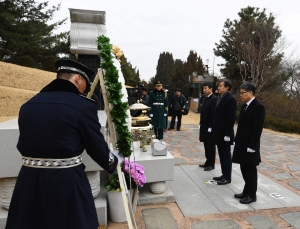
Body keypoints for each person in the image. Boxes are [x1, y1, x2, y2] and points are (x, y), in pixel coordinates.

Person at [6, 59, 119, 229]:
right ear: (77, 79)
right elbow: (96, 147)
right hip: (66, 181)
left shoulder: (28, 106)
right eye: (85, 86)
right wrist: (114, 162)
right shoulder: (83, 106)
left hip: (28, 180)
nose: (84, 91)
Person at [232, 82, 265, 204]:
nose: (240, 95)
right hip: (242, 144)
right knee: (243, 168)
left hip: (250, 146)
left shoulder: (258, 107)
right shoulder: (245, 106)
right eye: (240, 93)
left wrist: (252, 146)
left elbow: (257, 129)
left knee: (250, 171)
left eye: (242, 93)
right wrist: (236, 140)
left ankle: (252, 195)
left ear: (250, 93)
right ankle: (246, 191)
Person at [211, 80, 237, 185]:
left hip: (225, 133)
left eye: (221, 86)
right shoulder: (221, 97)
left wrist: (227, 134)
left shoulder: (230, 99)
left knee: (226, 155)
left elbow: (231, 119)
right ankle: (224, 174)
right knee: (221, 154)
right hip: (219, 132)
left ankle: (227, 177)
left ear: (227, 87)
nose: (219, 87)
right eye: (219, 86)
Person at [198, 82, 217, 171]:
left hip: (210, 126)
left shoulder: (214, 99)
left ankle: (211, 164)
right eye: (203, 88)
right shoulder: (205, 98)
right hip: (204, 125)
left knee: (210, 145)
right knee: (205, 144)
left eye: (206, 88)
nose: (204, 90)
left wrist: (211, 126)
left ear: (210, 89)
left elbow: (213, 114)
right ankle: (207, 161)